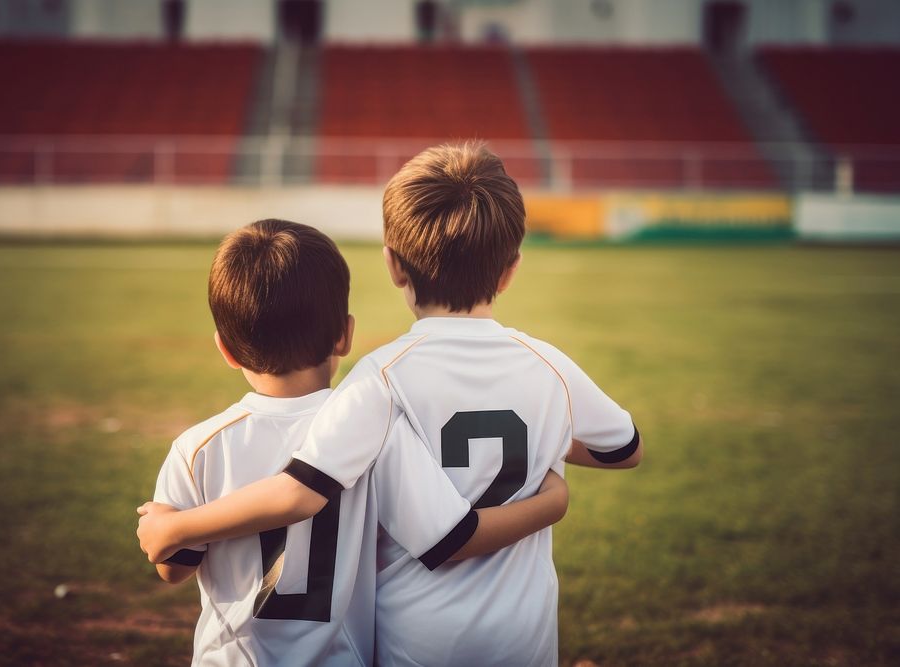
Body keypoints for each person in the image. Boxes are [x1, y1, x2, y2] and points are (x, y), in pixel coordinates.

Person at [139, 143, 641, 665]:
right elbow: (624, 449)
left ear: (393, 265)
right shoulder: (547, 364)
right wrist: (552, 484)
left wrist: (175, 526)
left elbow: (298, 495)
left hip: (411, 639)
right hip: (522, 637)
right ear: (510, 269)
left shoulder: (379, 383)